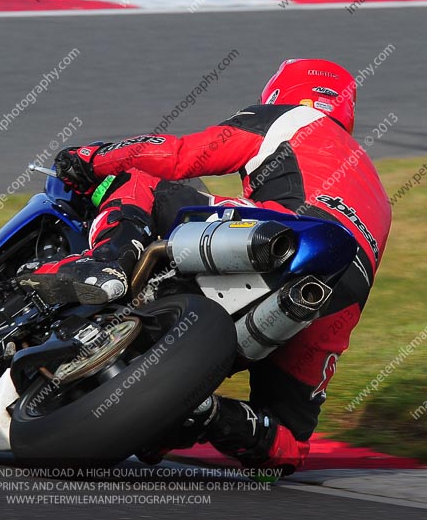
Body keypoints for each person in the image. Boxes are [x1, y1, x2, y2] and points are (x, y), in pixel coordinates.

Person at [20, 59, 392, 474]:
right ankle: (207, 413)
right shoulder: (377, 189)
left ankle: (106, 266)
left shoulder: (290, 119)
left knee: (139, 182)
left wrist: (94, 157)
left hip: (284, 230)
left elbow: (181, 156)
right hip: (340, 293)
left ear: (277, 93)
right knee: (288, 443)